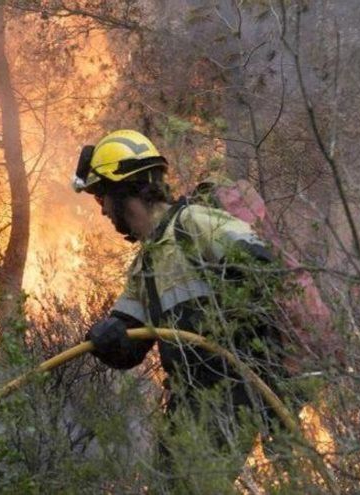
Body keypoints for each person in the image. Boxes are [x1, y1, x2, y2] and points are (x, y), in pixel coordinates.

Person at [72, 130, 290, 479]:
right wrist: (105, 337)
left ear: (123, 190)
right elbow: (130, 344)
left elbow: (264, 267)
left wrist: (227, 323)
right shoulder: (146, 264)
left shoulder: (195, 224)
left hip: (231, 390)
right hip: (188, 400)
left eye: (102, 197)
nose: (103, 211)